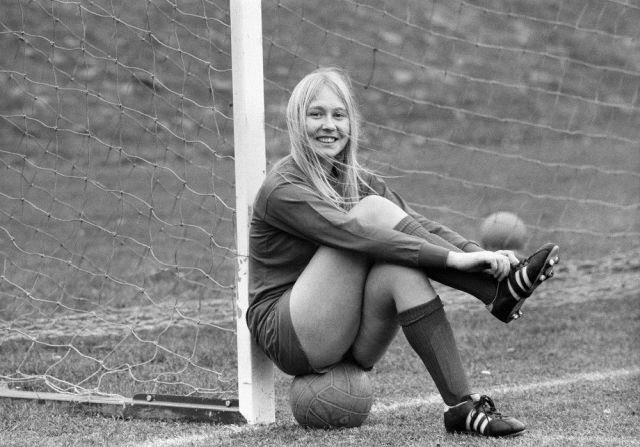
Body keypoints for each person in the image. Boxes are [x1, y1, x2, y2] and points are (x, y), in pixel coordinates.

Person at [247, 67, 559, 437]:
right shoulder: (283, 187)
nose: (328, 125)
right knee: (372, 213)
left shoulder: (356, 179)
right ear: (296, 122)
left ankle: (461, 406)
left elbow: (417, 224)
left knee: (400, 270)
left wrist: (485, 257)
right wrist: (455, 261)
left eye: (338, 115)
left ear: (351, 123)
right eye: (316, 114)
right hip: (289, 334)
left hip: (344, 331)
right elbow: (353, 234)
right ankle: (493, 293)